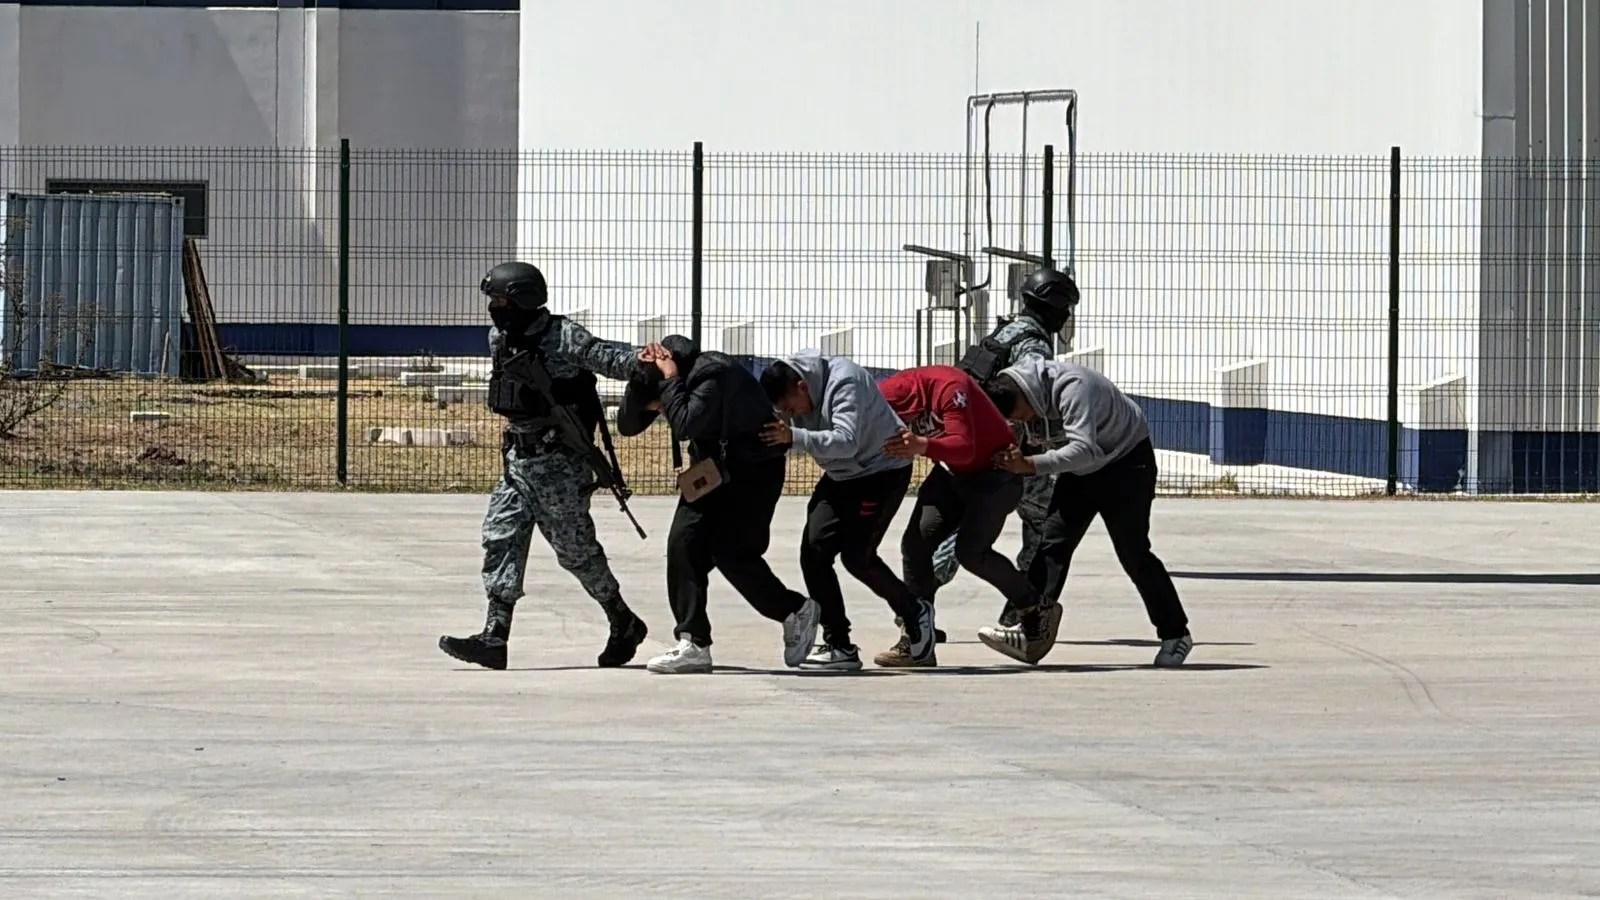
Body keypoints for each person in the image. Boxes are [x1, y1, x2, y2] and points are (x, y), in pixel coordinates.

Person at [438, 261, 649, 671]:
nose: (494, 308)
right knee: (500, 537)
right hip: (518, 461)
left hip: (560, 465)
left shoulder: (562, 335)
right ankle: (494, 636)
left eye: (500, 300)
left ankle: (623, 620)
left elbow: (608, 358)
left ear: (523, 299)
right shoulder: (499, 337)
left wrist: (646, 360)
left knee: (576, 552)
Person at [616, 335, 821, 675]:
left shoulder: (713, 374)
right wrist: (640, 378)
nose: (661, 408)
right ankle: (693, 643)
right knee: (683, 545)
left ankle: (795, 610)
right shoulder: (667, 379)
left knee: (733, 553)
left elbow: (685, 424)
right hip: (711, 470)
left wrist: (669, 380)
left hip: (754, 470)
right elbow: (627, 425)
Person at [978, 358, 1194, 668]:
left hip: (1126, 463)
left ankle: (1176, 635)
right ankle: (1031, 630)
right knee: (1051, 544)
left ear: (1026, 396)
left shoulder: (1073, 388)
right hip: (1080, 473)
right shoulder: (1013, 389)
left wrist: (1030, 465)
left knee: (1134, 552)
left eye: (1022, 416)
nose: (1024, 422)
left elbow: (1084, 449)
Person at [875, 364, 1063, 667]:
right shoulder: (882, 399)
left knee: (972, 553)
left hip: (995, 475)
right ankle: (918, 638)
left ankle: (1035, 608)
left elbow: (963, 447)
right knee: (915, 544)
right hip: (951, 474)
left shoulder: (950, 387)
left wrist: (922, 445)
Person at [759, 351, 934, 672]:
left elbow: (846, 441)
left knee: (857, 557)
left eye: (791, 409)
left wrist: (794, 436)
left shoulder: (845, 381)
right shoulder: (793, 391)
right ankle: (839, 644)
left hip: (881, 471)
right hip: (841, 475)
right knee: (813, 551)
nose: (790, 416)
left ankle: (914, 611)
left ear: (802, 386)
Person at [929, 267, 1080, 629]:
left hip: (977, 448)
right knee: (1049, 526)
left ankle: (918, 600)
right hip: (1008, 456)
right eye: (1065, 309)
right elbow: (1025, 399)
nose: (1066, 317)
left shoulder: (1005, 332)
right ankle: (1023, 605)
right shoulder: (1034, 345)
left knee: (970, 528)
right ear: (1053, 308)